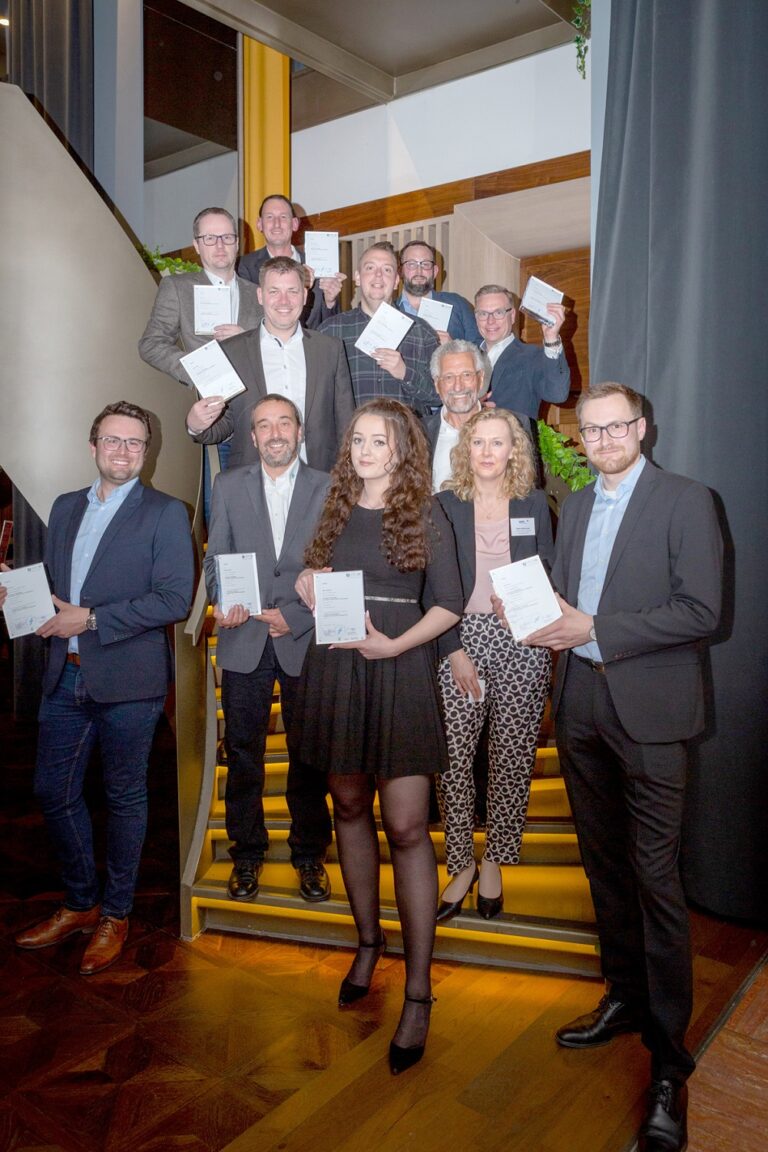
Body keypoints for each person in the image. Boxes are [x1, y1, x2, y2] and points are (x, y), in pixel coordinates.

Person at [516, 383, 723, 1152]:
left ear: (642, 428)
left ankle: (669, 1061)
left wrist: (594, 627)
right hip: (581, 709)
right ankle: (625, 997)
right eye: (591, 430)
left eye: (616, 427)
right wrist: (535, 615)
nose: (603, 440)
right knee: (604, 867)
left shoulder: (687, 500)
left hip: (653, 714)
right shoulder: (573, 508)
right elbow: (563, 603)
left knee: (655, 880)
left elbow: (702, 611)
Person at [293, 399, 463, 1074]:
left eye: (379, 441)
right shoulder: (333, 506)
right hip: (337, 666)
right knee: (348, 805)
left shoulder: (428, 511)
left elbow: (447, 603)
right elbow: (312, 573)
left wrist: (395, 647)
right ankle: (368, 944)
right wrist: (307, 581)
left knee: (409, 826)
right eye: (358, 440)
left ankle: (419, 992)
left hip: (399, 666)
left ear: (402, 450)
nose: (365, 450)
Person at [3, 402, 194, 975]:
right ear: (94, 447)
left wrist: (88, 620)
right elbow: (56, 585)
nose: (123, 451)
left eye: (135, 443)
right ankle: (81, 901)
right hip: (65, 674)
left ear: (146, 452)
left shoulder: (166, 512)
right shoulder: (65, 506)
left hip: (130, 680)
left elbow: (174, 599)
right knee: (52, 791)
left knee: (124, 798)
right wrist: (20, 590)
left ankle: (116, 913)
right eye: (113, 440)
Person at [204, 395, 332, 903]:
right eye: (264, 425)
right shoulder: (228, 485)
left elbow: (336, 569)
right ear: (252, 436)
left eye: (284, 423)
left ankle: (309, 854)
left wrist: (295, 617)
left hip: (305, 638)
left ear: (299, 431)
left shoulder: (329, 486)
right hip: (244, 638)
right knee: (242, 754)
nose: (275, 433)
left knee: (309, 754)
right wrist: (222, 599)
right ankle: (247, 853)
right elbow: (216, 559)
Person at [435, 409, 553, 922]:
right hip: (461, 638)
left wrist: (531, 611)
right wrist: (453, 649)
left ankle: (494, 862)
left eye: (497, 442)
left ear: (513, 450)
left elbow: (550, 570)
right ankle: (461, 862)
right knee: (453, 757)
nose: (487, 452)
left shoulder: (533, 503)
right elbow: (431, 585)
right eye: (478, 442)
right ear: (466, 449)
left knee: (513, 755)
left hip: (524, 640)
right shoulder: (444, 505)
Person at [185, 257, 355, 474]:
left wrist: (347, 476)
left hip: (318, 477)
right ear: (260, 295)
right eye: (274, 291)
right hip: (252, 479)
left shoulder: (330, 349)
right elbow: (224, 425)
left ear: (305, 296)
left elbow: (346, 422)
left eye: (292, 291)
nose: (284, 301)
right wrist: (196, 424)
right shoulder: (231, 352)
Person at [138, 206, 264, 389]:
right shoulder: (178, 288)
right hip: (209, 401)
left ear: (237, 243)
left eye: (227, 237)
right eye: (210, 238)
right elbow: (151, 344)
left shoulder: (259, 293)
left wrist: (248, 340)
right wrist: (199, 372)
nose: (220, 245)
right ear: (197, 246)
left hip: (258, 397)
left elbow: (279, 345)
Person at [319, 242, 440, 413]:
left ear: (396, 281)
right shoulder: (330, 331)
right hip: (352, 430)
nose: (378, 275)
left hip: (407, 430)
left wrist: (405, 373)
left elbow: (439, 395)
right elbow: (319, 396)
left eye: (387, 270)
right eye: (370, 268)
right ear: (357, 277)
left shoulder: (422, 331)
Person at [423, 339, 529, 492]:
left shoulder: (513, 426)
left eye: (466, 375)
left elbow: (526, 491)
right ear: (436, 384)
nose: (458, 386)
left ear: (480, 379)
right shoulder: (417, 431)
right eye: (449, 377)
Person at [237, 193, 344, 328]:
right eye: (269, 217)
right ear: (259, 224)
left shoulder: (317, 264)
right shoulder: (244, 266)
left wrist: (330, 302)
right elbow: (247, 318)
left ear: (294, 224)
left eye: (283, 217)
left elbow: (330, 326)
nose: (276, 224)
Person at [474, 284, 570, 421]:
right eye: (483, 314)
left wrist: (551, 338)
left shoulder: (531, 356)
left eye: (499, 313)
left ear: (512, 315)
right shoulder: (466, 357)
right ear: (476, 317)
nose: (490, 321)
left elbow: (557, 394)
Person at [397, 240, 481, 345]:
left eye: (425, 264)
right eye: (411, 264)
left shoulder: (458, 304)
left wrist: (453, 347)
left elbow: (480, 347)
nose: (419, 271)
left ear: (435, 271)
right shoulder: (389, 312)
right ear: (400, 271)